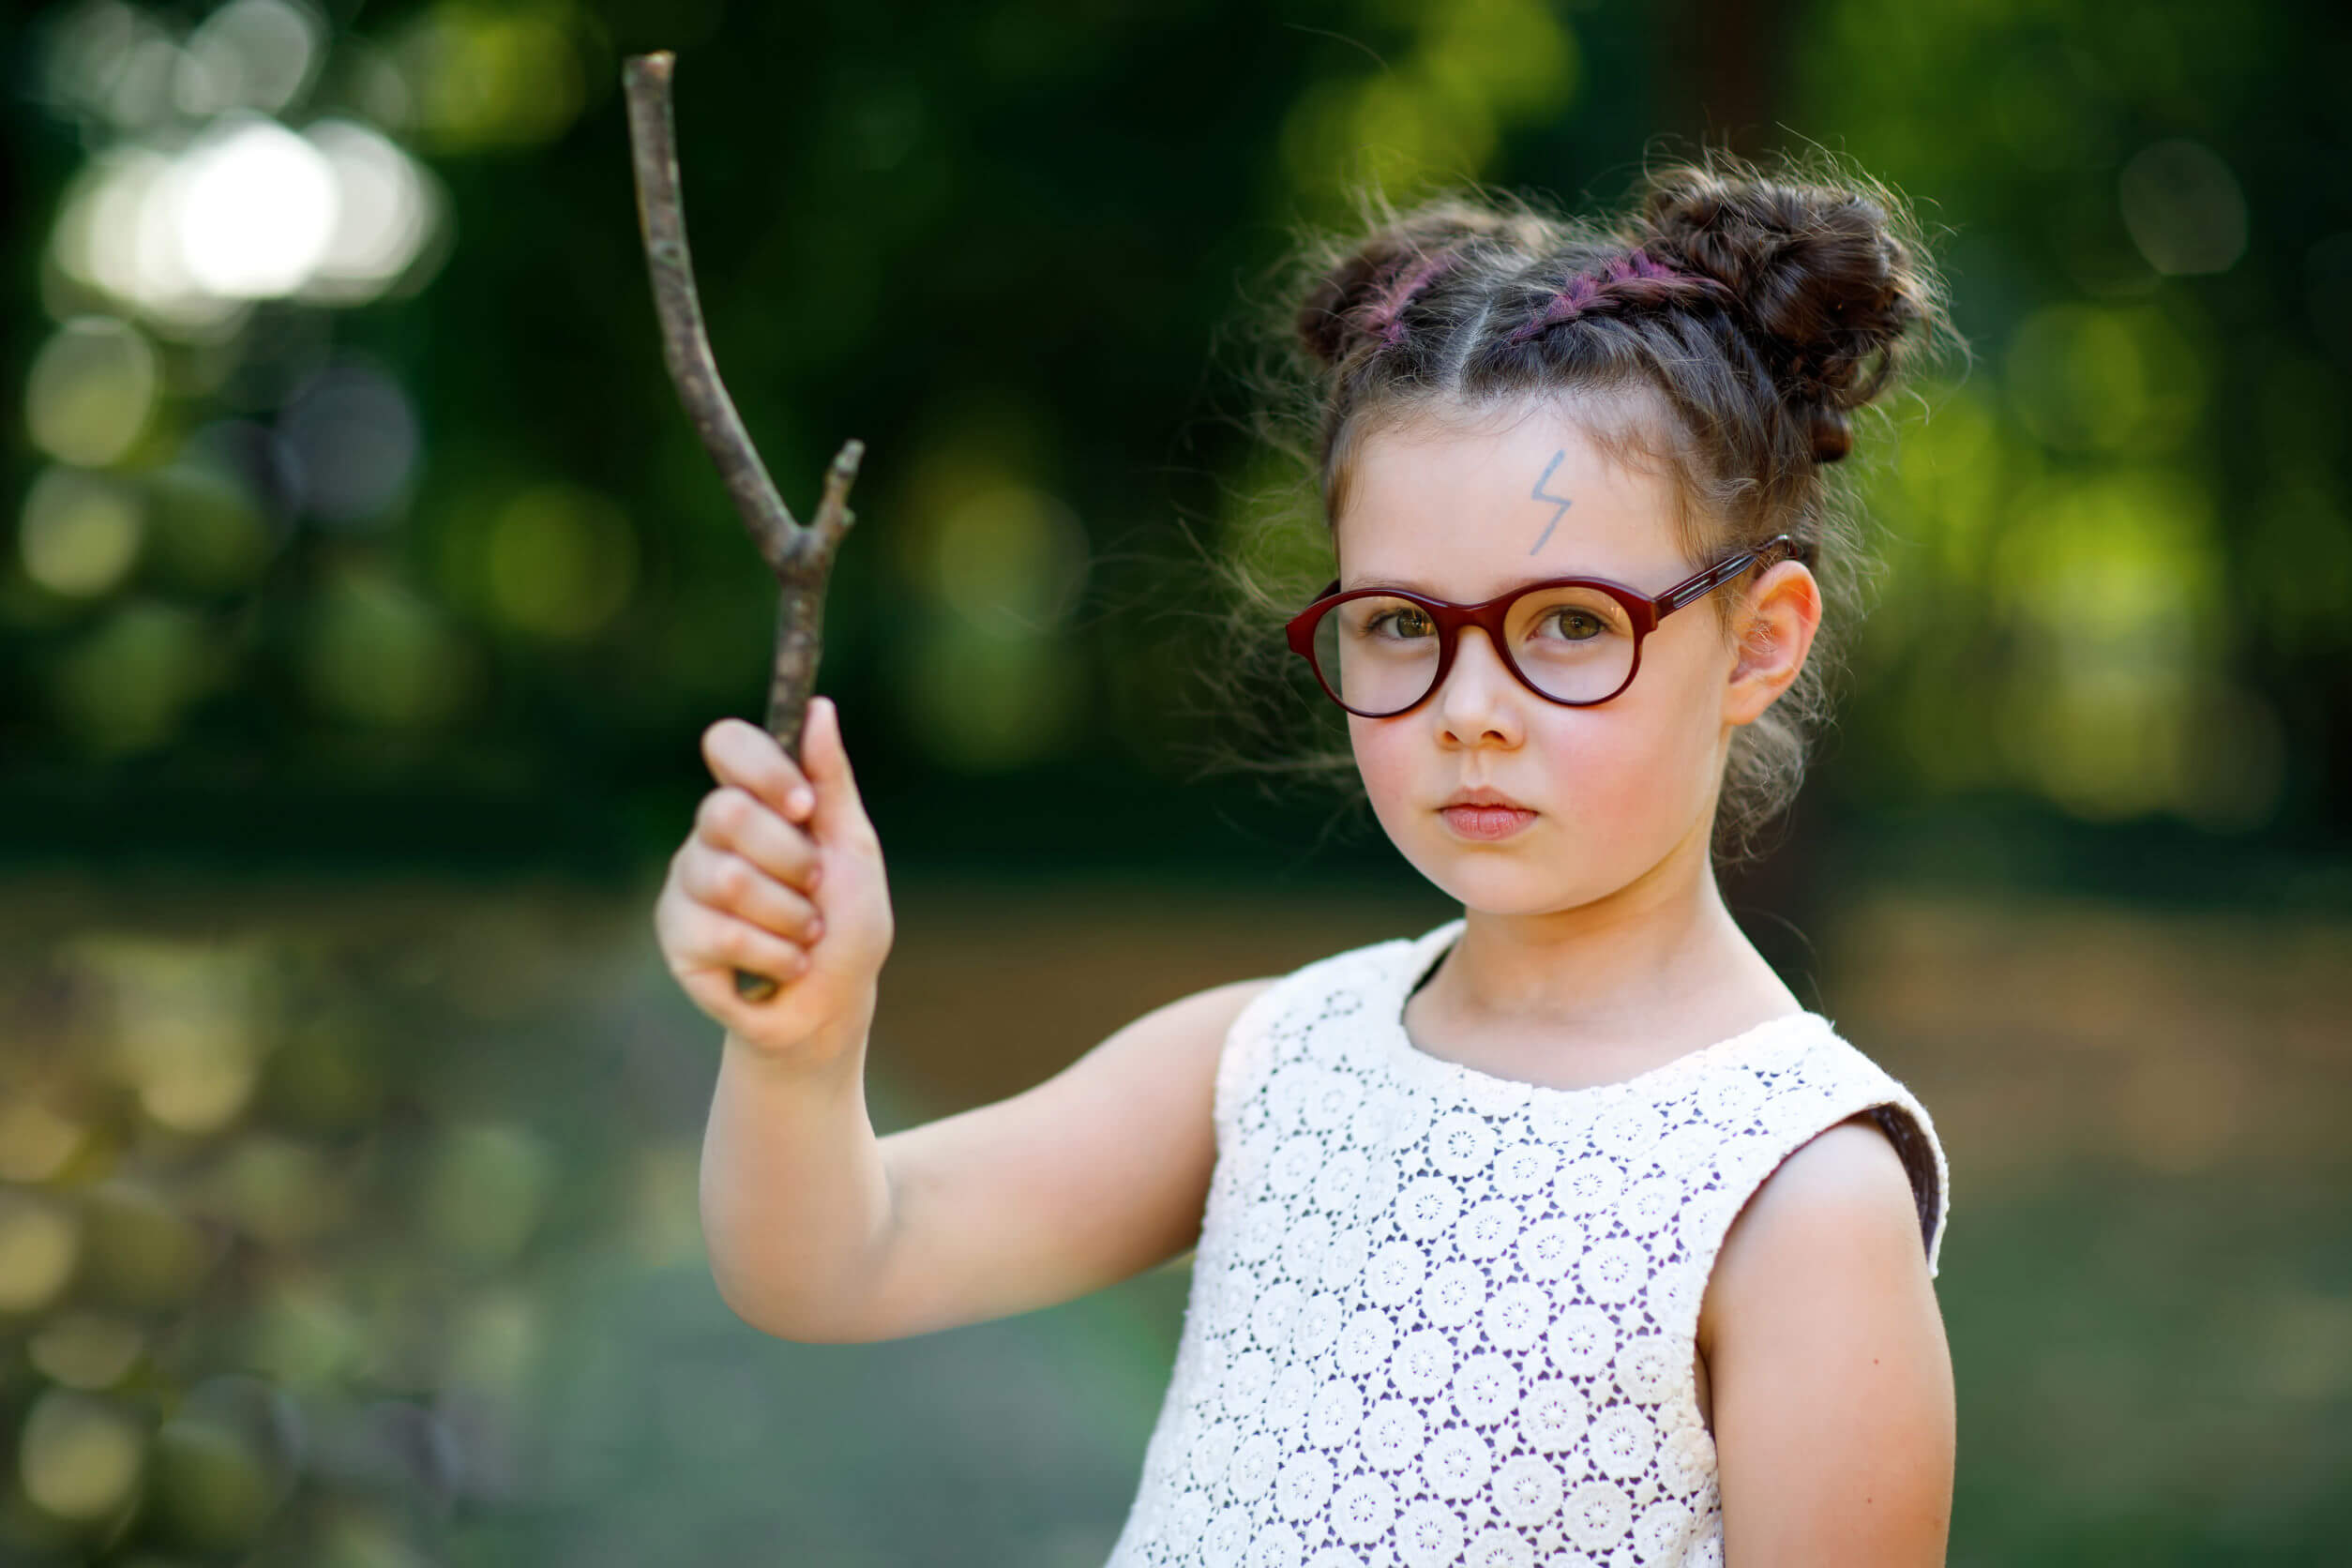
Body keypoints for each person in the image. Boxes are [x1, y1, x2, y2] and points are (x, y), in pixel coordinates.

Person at [654, 149, 1958, 1567]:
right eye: (1403, 625)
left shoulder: (1795, 1195)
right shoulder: (1266, 1064)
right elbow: (839, 1257)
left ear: (1758, 640)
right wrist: (799, 1045)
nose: (1470, 714)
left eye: (1571, 624)